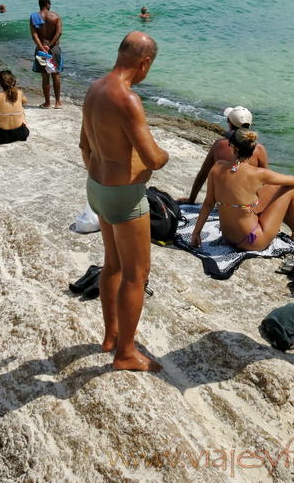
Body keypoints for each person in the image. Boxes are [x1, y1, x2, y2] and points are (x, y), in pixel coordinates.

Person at [79, 31, 169, 372]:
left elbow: (84, 146)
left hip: (96, 188)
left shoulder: (95, 88)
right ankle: (126, 353)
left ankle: (110, 335)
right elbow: (152, 157)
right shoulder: (127, 99)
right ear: (144, 63)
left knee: (112, 264)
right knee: (136, 274)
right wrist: (164, 155)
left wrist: (104, 175)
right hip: (123, 197)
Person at [190, 127, 294, 251]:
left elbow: (208, 203)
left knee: (272, 189)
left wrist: (196, 233)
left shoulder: (218, 167)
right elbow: (293, 180)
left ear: (233, 149)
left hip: (228, 238)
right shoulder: (258, 174)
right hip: (253, 240)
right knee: (289, 189)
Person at [180, 106, 268, 204]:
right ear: (249, 125)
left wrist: (191, 200)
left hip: (222, 204)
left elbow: (203, 174)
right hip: (247, 205)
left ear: (230, 124)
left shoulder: (219, 145)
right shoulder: (259, 149)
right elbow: (266, 182)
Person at [30, 0, 63, 109]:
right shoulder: (56, 16)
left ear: (40, 4)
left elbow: (34, 35)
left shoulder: (34, 17)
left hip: (40, 49)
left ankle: (47, 103)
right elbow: (58, 33)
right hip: (54, 48)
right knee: (55, 74)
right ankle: (58, 102)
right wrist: (49, 46)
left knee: (45, 76)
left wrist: (42, 47)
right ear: (48, 4)